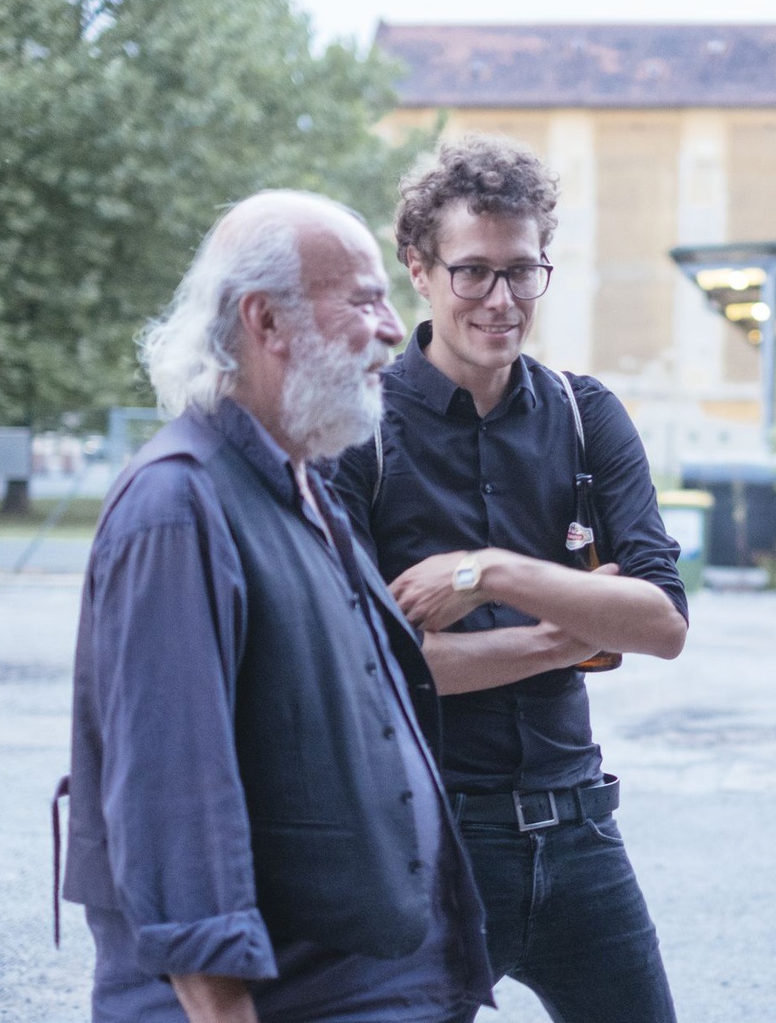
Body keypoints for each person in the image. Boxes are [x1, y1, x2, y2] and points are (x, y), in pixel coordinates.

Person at [61, 191, 494, 1023]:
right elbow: (173, 806)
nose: (393, 329)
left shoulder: (299, 483)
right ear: (266, 321)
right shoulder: (177, 506)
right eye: (364, 301)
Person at [332, 135, 688, 1023]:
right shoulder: (357, 430)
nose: (501, 300)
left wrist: (490, 573)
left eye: (523, 271)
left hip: (582, 833)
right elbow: (369, 668)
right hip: (426, 838)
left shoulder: (585, 412)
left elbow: (662, 623)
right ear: (420, 269)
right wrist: (572, 633)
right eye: (473, 272)